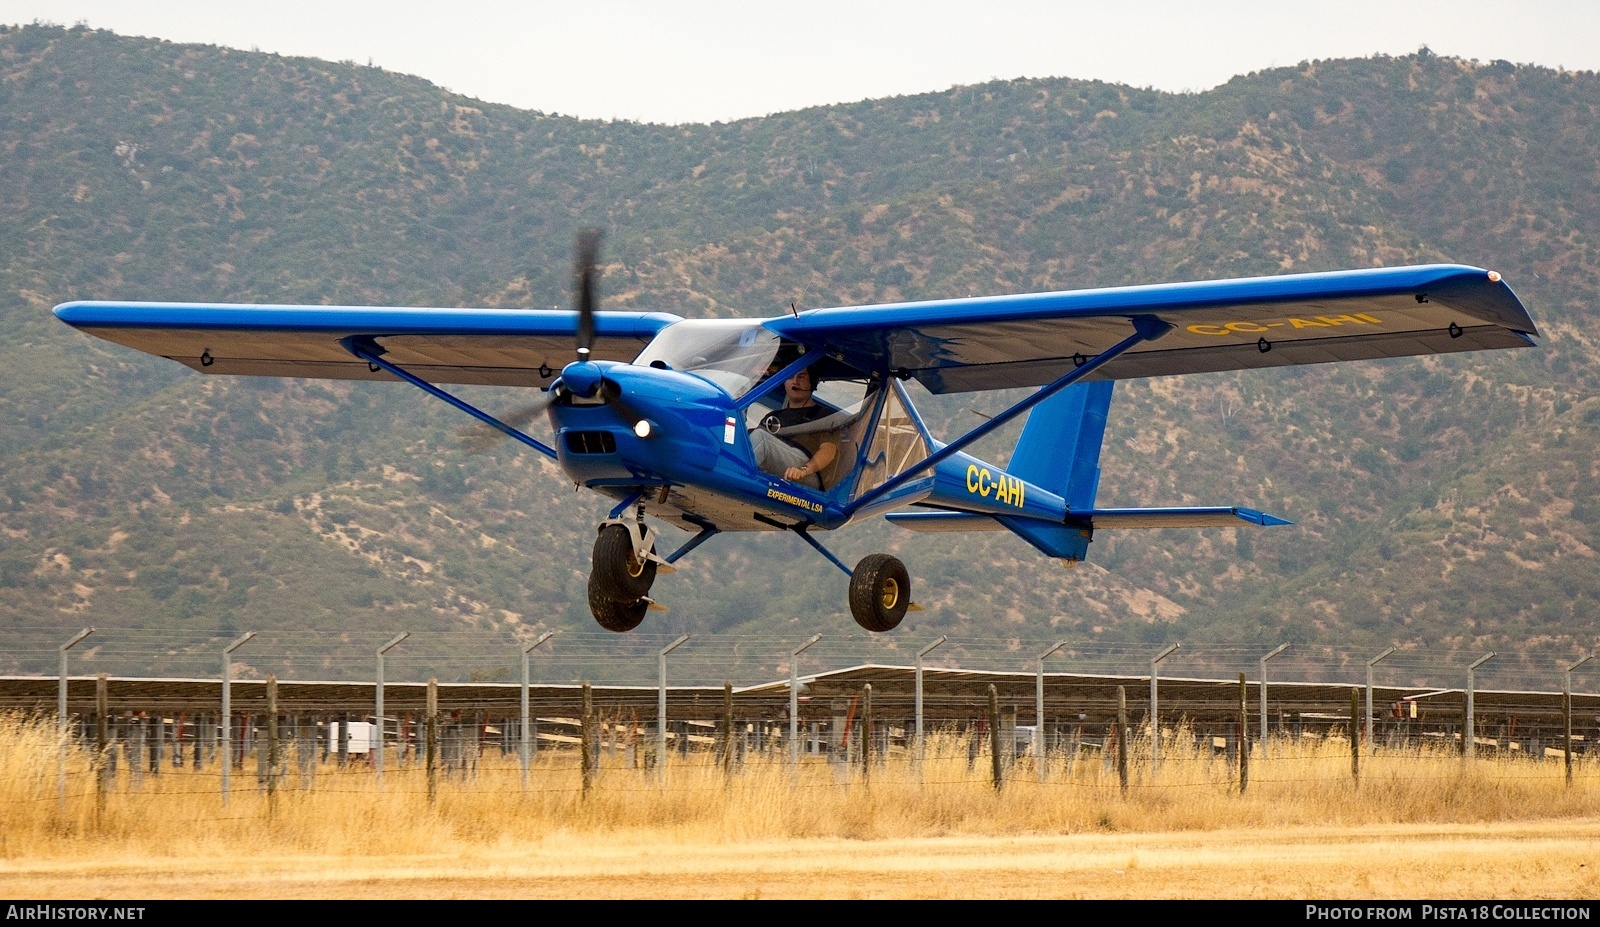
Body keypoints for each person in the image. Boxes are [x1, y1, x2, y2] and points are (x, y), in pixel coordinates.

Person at [749, 366, 838, 489]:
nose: (795, 382)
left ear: (812, 382)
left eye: (801, 377)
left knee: (761, 437)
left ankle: (735, 473)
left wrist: (804, 470)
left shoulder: (823, 414)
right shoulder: (773, 416)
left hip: (807, 474)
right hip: (776, 470)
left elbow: (829, 450)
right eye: (790, 376)